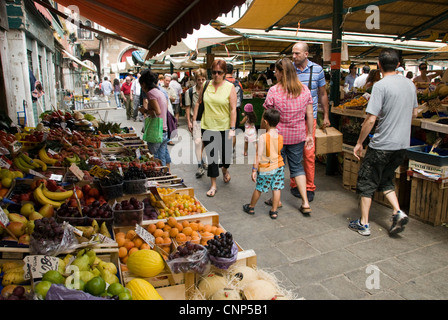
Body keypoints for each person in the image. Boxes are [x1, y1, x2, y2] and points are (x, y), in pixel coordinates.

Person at [349, 48, 419, 236]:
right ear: (398, 65)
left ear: (378, 65)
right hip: (402, 145)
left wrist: (359, 142)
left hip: (382, 145)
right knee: (386, 179)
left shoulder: (380, 86)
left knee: (366, 181)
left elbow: (371, 119)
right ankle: (397, 212)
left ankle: (364, 224)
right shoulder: (410, 85)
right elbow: (414, 113)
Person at [263, 58, 314, 214]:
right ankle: (305, 202)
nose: (275, 74)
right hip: (297, 135)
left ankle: (275, 201)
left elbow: (266, 115)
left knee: (276, 168)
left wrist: (263, 133)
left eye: (276, 72)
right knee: (297, 167)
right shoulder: (304, 90)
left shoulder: (274, 91)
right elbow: (310, 113)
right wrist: (310, 134)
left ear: (281, 73)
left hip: (277, 136)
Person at [289, 41, 330, 202]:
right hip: (293, 118)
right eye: (293, 53)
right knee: (294, 153)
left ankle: (309, 186)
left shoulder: (317, 70)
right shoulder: (290, 69)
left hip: (309, 119)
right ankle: (294, 184)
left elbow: (323, 94)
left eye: (297, 53)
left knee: (309, 154)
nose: (294, 56)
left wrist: (326, 115)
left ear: (306, 54)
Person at [192, 59, 237, 197]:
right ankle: (213, 185)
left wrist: (232, 128)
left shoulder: (230, 87)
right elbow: (199, 102)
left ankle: (225, 169)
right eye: (214, 72)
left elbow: (233, 109)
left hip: (224, 127)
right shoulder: (205, 85)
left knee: (225, 157)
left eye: (219, 72)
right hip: (208, 126)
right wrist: (195, 122)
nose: (216, 75)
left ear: (224, 73)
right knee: (212, 158)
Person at [243, 108, 284, 219]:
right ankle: (274, 211)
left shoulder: (263, 137)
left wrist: (254, 170)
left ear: (265, 122)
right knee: (276, 188)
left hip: (266, 168)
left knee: (259, 188)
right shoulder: (280, 137)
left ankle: (251, 207)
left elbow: (258, 155)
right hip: (279, 166)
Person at [138, 69, 172, 169]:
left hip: (156, 131)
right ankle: (164, 177)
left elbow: (157, 112)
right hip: (164, 129)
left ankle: (156, 180)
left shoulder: (151, 93)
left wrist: (144, 111)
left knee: (153, 158)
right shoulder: (159, 91)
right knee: (162, 158)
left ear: (143, 84)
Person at [185, 68, 208, 178]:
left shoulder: (208, 91)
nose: (201, 82)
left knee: (204, 143)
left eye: (203, 79)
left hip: (207, 121)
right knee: (198, 142)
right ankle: (200, 165)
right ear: (195, 80)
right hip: (196, 121)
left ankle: (203, 160)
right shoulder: (190, 92)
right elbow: (188, 108)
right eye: (199, 79)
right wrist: (189, 122)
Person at [225, 63, 244, 153]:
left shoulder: (222, 82)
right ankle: (231, 150)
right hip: (235, 110)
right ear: (232, 72)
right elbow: (241, 97)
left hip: (224, 110)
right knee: (233, 131)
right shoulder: (238, 83)